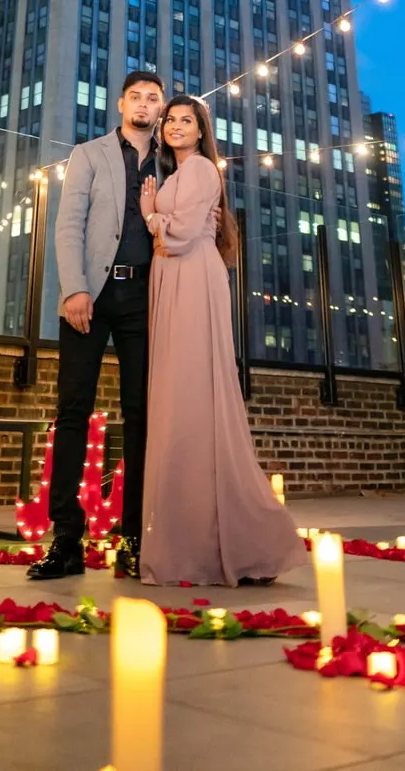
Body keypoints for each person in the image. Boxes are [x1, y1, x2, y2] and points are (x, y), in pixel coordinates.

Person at [138, 95, 303, 587]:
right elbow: (180, 231)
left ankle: (230, 542)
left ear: (202, 129)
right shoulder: (176, 175)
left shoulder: (203, 169)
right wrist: (164, 226)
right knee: (176, 400)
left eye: (186, 120)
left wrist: (152, 216)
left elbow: (184, 234)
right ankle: (191, 538)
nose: (175, 126)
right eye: (171, 120)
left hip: (191, 277)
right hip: (173, 277)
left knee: (193, 396)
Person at [26, 69, 165, 582]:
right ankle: (66, 539)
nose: (145, 105)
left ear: (162, 108)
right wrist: (73, 288)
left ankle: (132, 538)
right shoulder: (89, 153)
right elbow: (69, 225)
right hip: (92, 293)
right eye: (137, 97)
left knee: (141, 415)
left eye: (154, 99)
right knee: (72, 410)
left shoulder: (174, 162)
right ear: (121, 104)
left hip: (146, 299)